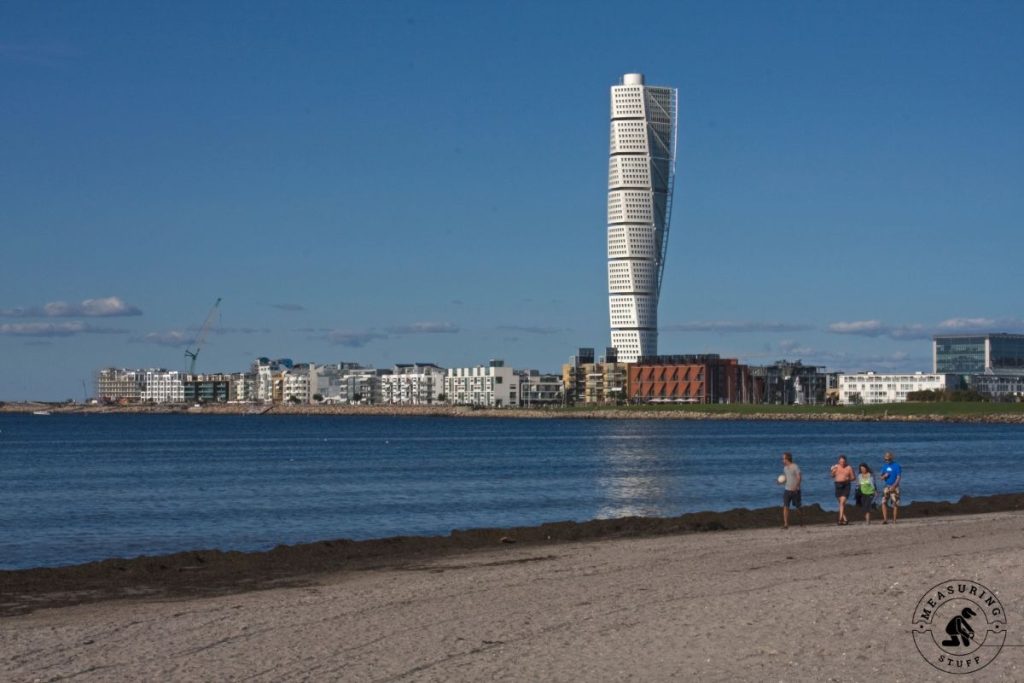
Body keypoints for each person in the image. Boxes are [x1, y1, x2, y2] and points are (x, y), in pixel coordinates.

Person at [830, 454, 855, 525]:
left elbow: (853, 477)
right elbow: (832, 476)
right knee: (841, 503)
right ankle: (845, 519)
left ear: (846, 461)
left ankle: (840, 519)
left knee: (842, 502)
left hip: (846, 485)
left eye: (843, 462)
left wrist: (848, 479)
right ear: (839, 461)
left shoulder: (849, 467)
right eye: (841, 462)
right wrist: (833, 471)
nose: (842, 463)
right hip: (838, 485)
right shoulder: (836, 467)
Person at [879, 451, 902, 525]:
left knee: (895, 504)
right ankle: (885, 519)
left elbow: (898, 477)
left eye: (888, 459)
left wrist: (894, 486)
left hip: (895, 486)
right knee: (883, 502)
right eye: (885, 459)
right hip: (887, 486)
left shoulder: (896, 466)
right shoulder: (884, 466)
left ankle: (894, 520)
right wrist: (884, 476)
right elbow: (881, 478)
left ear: (891, 458)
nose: (887, 461)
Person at [780, 452, 802, 529]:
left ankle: (801, 522)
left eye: (783, 458)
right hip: (787, 490)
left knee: (797, 507)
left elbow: (799, 477)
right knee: (785, 506)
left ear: (787, 459)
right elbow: (786, 478)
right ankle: (786, 524)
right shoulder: (785, 468)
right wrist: (780, 482)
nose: (782, 460)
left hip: (795, 490)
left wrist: (796, 487)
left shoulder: (795, 466)